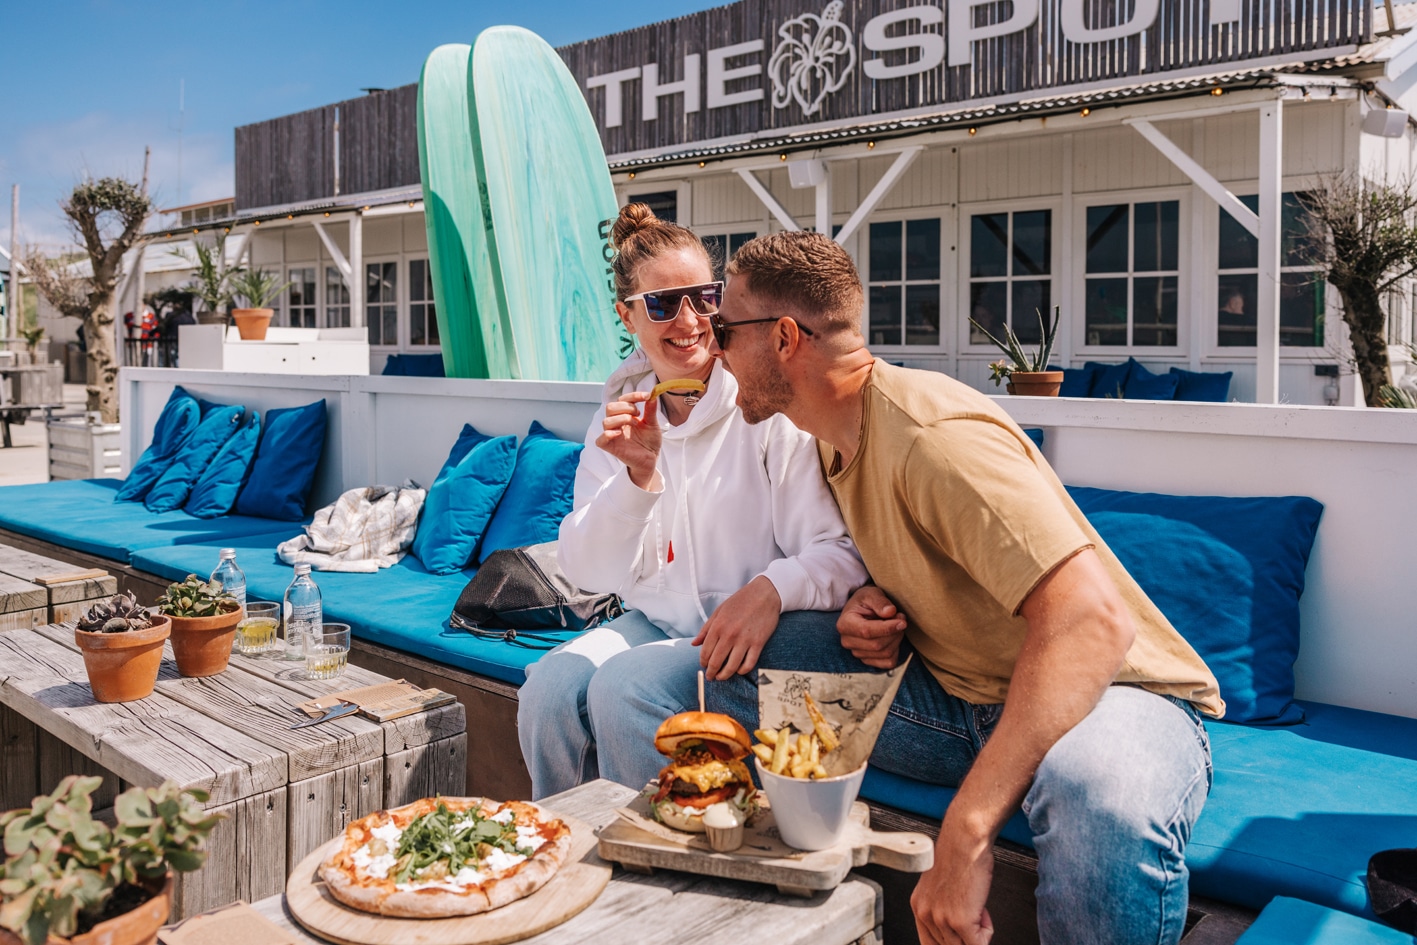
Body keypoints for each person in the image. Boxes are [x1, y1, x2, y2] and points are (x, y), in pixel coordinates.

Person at [698, 231, 1224, 945]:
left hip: (1116, 693)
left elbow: (1092, 624)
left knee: (1094, 792)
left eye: (725, 328)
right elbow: (924, 558)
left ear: (785, 336)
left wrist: (966, 830)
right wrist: (869, 603)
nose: (713, 345)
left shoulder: (931, 434)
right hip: (964, 701)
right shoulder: (831, 434)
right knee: (740, 666)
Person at [516, 206, 866, 800]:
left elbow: (838, 552)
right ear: (626, 314)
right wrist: (637, 476)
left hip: (761, 633)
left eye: (704, 298)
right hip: (658, 621)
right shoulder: (619, 417)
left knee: (622, 687)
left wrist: (773, 589)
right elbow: (590, 572)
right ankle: (572, 845)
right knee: (546, 691)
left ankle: (668, 860)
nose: (690, 320)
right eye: (661, 304)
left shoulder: (763, 405)